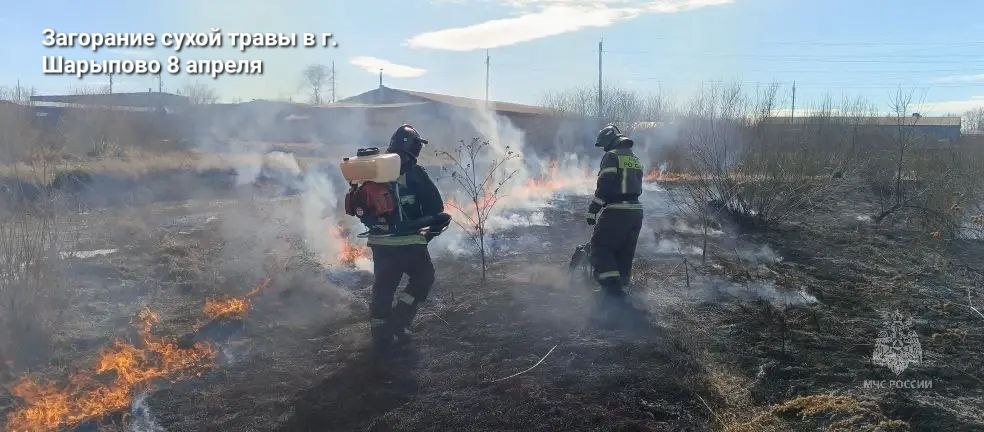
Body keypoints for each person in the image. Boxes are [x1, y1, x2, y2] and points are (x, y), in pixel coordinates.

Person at [367, 124, 449, 351]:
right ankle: (400, 321)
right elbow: (437, 207)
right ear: (414, 147)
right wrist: (424, 232)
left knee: (383, 287)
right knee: (424, 277)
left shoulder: (374, 169)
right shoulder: (414, 172)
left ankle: (380, 334)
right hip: (408, 242)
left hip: (379, 243)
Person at [586, 124, 644, 297]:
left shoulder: (611, 156)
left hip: (617, 211)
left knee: (600, 247)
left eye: (604, 144)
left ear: (611, 141)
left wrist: (593, 210)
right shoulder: (634, 158)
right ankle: (623, 288)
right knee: (625, 252)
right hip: (636, 212)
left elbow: (605, 185)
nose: (604, 148)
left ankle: (611, 291)